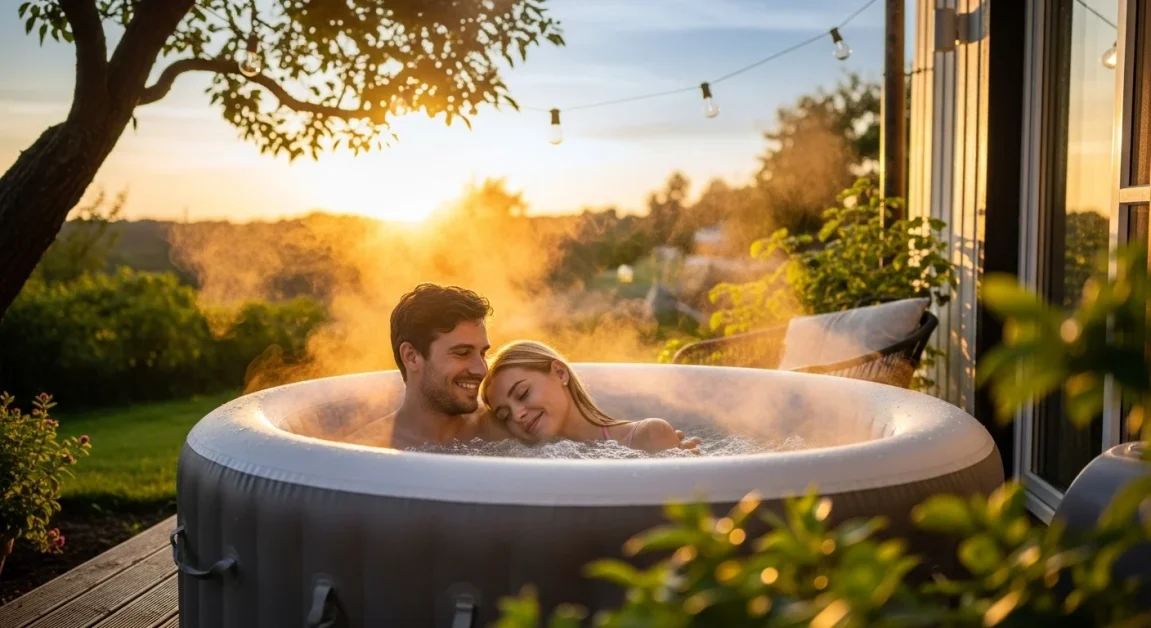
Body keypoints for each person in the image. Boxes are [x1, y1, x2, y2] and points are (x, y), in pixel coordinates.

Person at [344, 283, 512, 449]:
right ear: (411, 357)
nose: (481, 370)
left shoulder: (508, 430)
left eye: (482, 353)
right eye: (462, 353)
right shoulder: (366, 450)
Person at [480, 340, 701, 454]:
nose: (517, 415)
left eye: (523, 394)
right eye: (504, 415)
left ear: (559, 372)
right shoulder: (528, 457)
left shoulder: (648, 435)